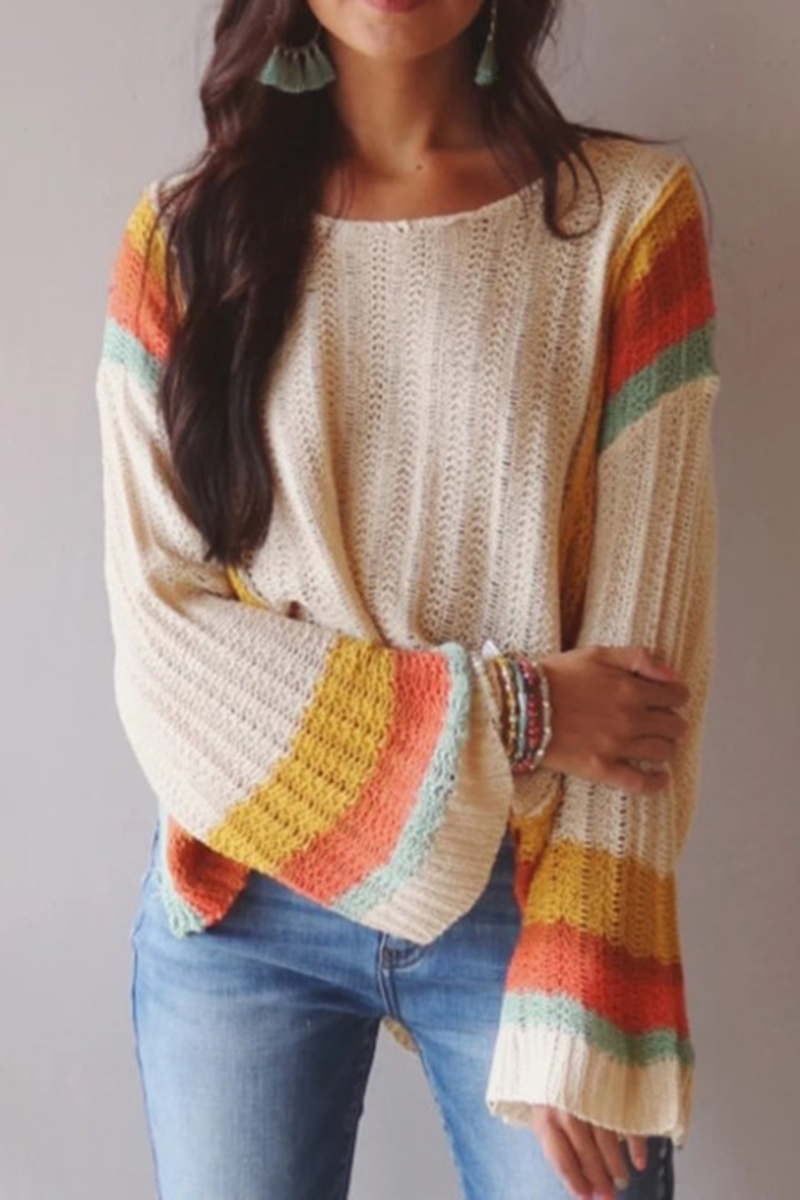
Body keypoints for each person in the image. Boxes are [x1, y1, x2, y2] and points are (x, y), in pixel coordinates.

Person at [95, 1, 719, 1197]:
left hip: (530, 896)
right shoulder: (182, 241)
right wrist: (520, 711)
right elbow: (163, 646)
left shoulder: (628, 220)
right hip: (244, 896)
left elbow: (640, 679)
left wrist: (591, 968)